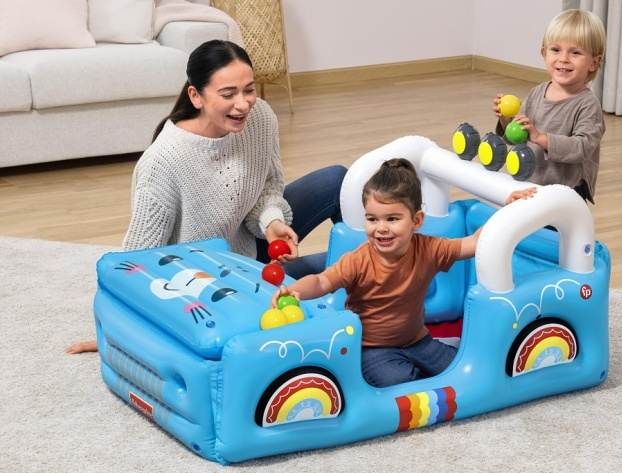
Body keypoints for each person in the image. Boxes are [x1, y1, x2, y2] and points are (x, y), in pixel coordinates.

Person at [66, 40, 345, 354]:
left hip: (249, 243)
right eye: (228, 94)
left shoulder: (261, 118)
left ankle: (367, 298)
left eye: (249, 90)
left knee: (336, 180)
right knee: (344, 269)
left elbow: (268, 187)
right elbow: (136, 262)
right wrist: (118, 332)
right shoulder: (163, 162)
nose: (243, 104)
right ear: (195, 96)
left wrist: (271, 222)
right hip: (214, 286)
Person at [271, 159, 536, 387]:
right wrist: (294, 291)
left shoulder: (430, 248)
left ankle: (443, 348)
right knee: (398, 382)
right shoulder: (359, 260)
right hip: (371, 349)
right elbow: (321, 281)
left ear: (416, 220)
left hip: (419, 341)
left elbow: (475, 243)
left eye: (392, 219)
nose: (381, 228)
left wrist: (507, 208)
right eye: (372, 219)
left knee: (463, 370)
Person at [494, 9, 606, 203]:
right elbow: (518, 136)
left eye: (575, 52)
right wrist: (506, 120)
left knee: (553, 224)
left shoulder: (588, 105)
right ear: (543, 53)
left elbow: (582, 147)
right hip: (531, 182)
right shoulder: (537, 93)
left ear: (594, 63)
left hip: (566, 190)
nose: (563, 58)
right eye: (556, 50)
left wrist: (541, 138)